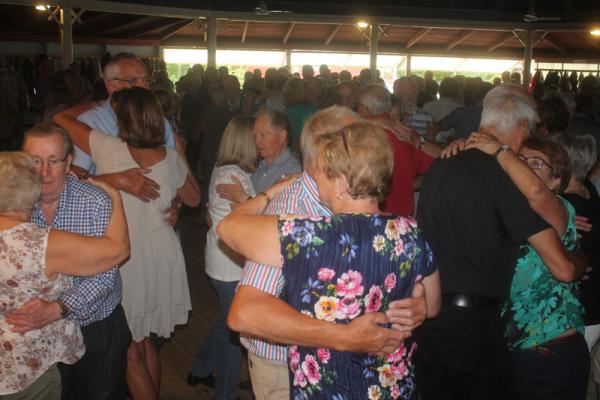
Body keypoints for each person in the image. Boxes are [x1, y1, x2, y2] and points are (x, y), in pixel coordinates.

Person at [218, 122, 441, 399]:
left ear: (341, 183)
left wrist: (270, 192)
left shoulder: (313, 235)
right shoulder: (411, 231)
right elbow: (433, 306)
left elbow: (228, 227)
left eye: (322, 170)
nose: (314, 176)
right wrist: (417, 305)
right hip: (392, 389)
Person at [415, 85, 587, 399]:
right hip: (476, 327)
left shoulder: (440, 166)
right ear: (522, 127)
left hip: (431, 318)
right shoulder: (504, 176)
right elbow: (560, 262)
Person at [54, 87, 201, 400]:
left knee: (130, 350)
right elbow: (194, 197)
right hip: (163, 253)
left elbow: (61, 118)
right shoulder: (170, 157)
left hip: (129, 258)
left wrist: (94, 101)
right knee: (145, 343)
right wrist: (179, 149)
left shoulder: (107, 147)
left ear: (121, 120)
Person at [4, 123, 132, 400]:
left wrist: (58, 308)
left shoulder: (95, 201)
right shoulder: (13, 203)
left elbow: (105, 276)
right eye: (35, 161)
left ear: (69, 161)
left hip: (94, 326)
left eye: (54, 161)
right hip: (40, 337)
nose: (44, 172)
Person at [464, 133, 590, 399]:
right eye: (521, 159)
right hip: (519, 351)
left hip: (550, 350)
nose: (523, 165)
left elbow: (536, 191)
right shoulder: (511, 214)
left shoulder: (559, 207)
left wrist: (500, 150)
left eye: (536, 163)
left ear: (555, 182)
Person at [187, 116, 258, 400]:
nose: (259, 143)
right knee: (235, 332)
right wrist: (250, 201)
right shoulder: (235, 176)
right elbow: (249, 222)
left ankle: (200, 369)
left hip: (219, 258)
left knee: (225, 319)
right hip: (230, 264)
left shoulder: (221, 168)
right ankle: (225, 394)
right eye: (256, 137)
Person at [72, 53, 179, 225]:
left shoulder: (158, 120)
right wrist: (116, 180)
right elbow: (73, 178)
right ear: (112, 86)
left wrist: (175, 204)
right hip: (108, 221)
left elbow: (174, 173)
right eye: (134, 81)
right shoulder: (90, 122)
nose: (143, 88)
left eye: (146, 81)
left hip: (154, 222)